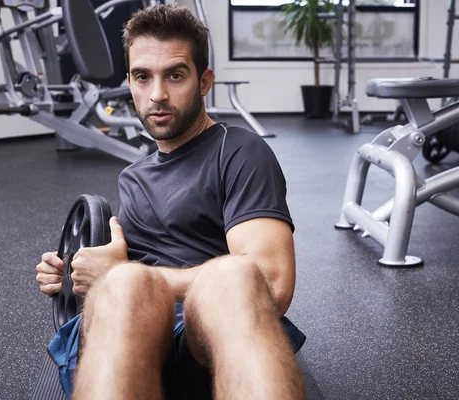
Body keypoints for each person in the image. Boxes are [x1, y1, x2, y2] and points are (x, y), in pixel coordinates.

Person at [35, 4, 305, 400]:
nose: (157, 94)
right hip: (132, 331)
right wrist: (74, 273)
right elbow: (123, 264)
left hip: (209, 337)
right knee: (127, 285)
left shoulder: (240, 151)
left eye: (175, 75)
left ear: (204, 81)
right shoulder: (134, 175)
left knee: (231, 277)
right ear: (129, 82)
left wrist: (120, 274)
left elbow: (272, 284)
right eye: (143, 77)